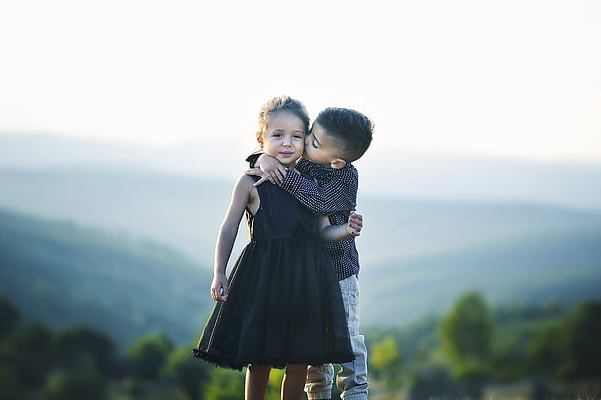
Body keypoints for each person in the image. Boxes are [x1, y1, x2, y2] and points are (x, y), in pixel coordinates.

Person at [192, 95, 361, 400]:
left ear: (306, 140)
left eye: (297, 136)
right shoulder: (251, 181)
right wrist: (219, 271)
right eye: (278, 135)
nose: (287, 143)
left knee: (299, 361)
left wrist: (345, 231)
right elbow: (229, 226)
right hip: (264, 281)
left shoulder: (310, 181)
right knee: (260, 359)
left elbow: (323, 232)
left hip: (306, 283)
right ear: (261, 138)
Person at [246, 106, 374, 400]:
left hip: (339, 273)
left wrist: (280, 174)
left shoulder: (345, 178)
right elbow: (277, 151)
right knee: (312, 346)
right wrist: (262, 158)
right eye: (309, 134)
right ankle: (318, 396)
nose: (303, 143)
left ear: (337, 160)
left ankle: (355, 393)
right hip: (307, 273)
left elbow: (317, 202)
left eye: (313, 141)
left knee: (346, 339)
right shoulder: (307, 161)